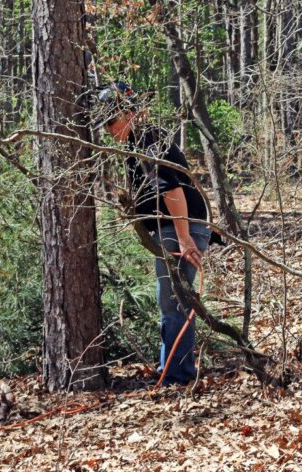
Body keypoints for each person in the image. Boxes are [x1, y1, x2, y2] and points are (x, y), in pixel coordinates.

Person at [96, 81, 211, 386]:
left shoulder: (148, 140)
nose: (108, 129)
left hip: (179, 227)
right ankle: (170, 369)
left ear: (129, 113)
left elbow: (172, 190)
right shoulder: (138, 144)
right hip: (173, 228)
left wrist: (185, 238)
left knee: (175, 303)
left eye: (111, 120)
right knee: (171, 302)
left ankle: (177, 376)